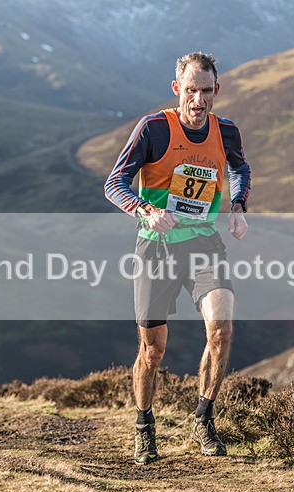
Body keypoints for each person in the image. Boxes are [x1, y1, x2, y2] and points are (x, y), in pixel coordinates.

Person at [104, 52, 251, 464]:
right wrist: (145, 210)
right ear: (176, 89)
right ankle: (144, 426)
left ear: (216, 90)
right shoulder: (153, 129)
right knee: (152, 351)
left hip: (204, 244)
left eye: (206, 91)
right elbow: (114, 183)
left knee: (221, 330)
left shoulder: (226, 131)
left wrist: (238, 206)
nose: (198, 100)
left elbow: (240, 169)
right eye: (190, 90)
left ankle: (203, 419)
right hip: (156, 247)